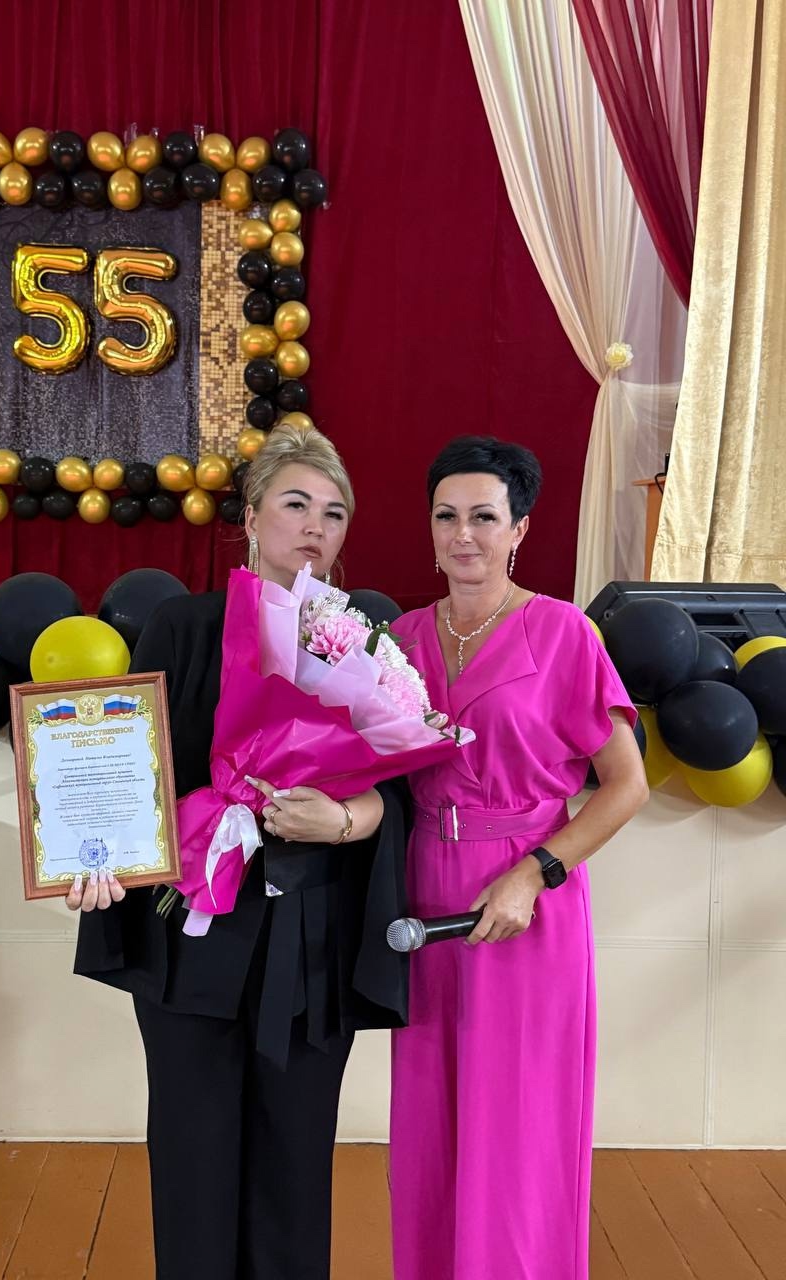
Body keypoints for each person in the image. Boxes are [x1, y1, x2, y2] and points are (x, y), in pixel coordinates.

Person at [70, 424, 408, 1280]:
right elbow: (129, 770)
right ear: (251, 518)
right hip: (194, 934)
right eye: (296, 504)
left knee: (297, 1165)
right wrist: (93, 854)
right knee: (193, 1162)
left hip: (312, 940)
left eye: (334, 513)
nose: (315, 526)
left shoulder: (364, 642)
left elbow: (397, 793)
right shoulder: (183, 627)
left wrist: (340, 820)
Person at [389, 436, 648, 1280]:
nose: (463, 534)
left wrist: (535, 874)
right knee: (431, 1118)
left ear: (520, 529)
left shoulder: (563, 632)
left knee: (520, 1122)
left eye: (484, 517)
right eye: (447, 516)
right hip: (425, 898)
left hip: (527, 899)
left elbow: (626, 786)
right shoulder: (400, 639)